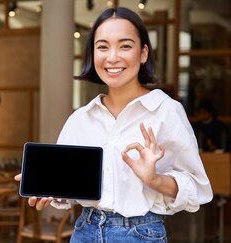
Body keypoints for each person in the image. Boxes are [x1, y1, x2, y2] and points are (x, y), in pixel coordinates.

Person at [15, 7, 212, 242]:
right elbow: (70, 189)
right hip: (84, 231)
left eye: (125, 46)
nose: (112, 57)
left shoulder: (165, 111)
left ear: (143, 53)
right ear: (93, 54)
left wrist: (155, 180)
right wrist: (50, 189)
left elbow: (197, 187)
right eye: (102, 46)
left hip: (140, 234)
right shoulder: (81, 118)